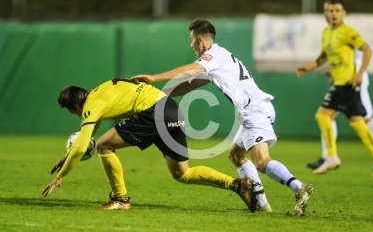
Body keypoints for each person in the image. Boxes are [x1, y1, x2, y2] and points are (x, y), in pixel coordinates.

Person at [132, 19, 314, 216]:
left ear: (200, 40)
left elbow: (190, 70)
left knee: (261, 161)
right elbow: (190, 84)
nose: (190, 45)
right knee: (236, 155)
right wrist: (160, 94)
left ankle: (299, 188)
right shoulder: (218, 58)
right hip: (252, 110)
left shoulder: (213, 56)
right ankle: (262, 205)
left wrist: (155, 77)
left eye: (191, 40)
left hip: (254, 109)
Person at [41, 78, 259, 212]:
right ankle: (238, 185)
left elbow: (82, 146)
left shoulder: (91, 105)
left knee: (104, 146)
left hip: (154, 114)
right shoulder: (101, 90)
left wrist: (60, 176)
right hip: (172, 109)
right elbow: (88, 132)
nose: (75, 115)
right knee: (182, 172)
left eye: (72, 111)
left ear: (75, 105)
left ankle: (120, 200)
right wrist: (70, 155)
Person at [296, 0, 373, 177]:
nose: (333, 14)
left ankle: (331, 157)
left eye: (337, 10)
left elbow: (367, 50)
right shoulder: (326, 33)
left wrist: (360, 73)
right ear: (326, 13)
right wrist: (307, 68)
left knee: (323, 115)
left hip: (346, 84)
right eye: (330, 10)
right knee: (357, 122)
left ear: (343, 13)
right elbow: (323, 57)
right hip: (340, 83)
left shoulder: (348, 32)